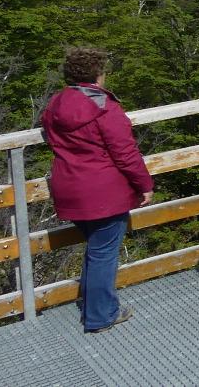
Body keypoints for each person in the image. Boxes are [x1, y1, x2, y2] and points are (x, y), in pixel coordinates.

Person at [40, 47, 154, 334]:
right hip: (104, 192)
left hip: (69, 186)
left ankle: (94, 305)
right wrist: (144, 185)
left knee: (96, 248)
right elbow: (125, 152)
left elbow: (52, 138)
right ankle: (101, 315)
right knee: (103, 252)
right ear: (99, 74)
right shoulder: (104, 106)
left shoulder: (56, 104)